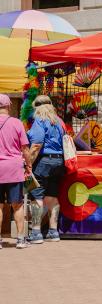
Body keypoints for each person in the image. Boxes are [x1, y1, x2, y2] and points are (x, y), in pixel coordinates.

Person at [28, 95, 66, 244]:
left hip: (43, 161)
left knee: (36, 196)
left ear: (36, 107)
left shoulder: (39, 120)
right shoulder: (60, 122)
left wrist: (28, 163)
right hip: (59, 162)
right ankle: (53, 231)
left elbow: (36, 145)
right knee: (52, 196)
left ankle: (36, 233)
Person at [0, 94, 33, 249]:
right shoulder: (17, 123)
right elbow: (25, 149)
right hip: (13, 168)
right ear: (8, 106)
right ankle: (20, 239)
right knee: (17, 205)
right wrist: (29, 164)